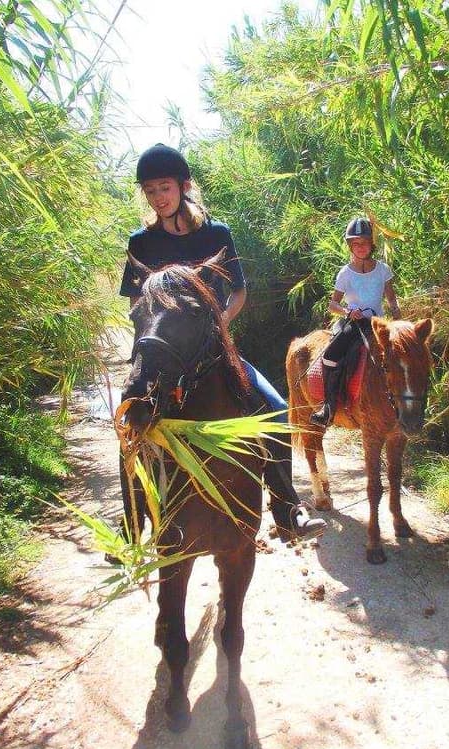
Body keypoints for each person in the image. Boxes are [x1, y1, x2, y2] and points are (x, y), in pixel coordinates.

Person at [119, 144, 326, 542]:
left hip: (212, 348)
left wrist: (217, 324)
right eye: (150, 190)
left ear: (183, 186)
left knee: (277, 411)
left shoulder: (216, 234)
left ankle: (287, 510)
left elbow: (239, 293)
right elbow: (137, 301)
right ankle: (130, 524)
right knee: (131, 422)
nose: (158, 198)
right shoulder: (141, 242)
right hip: (161, 354)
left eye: (164, 187)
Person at [310, 216, 401, 427]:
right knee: (332, 355)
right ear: (350, 246)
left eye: (365, 243)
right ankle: (329, 407)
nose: (360, 247)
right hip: (354, 323)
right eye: (356, 243)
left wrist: (399, 320)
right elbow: (332, 304)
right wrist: (347, 311)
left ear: (372, 245)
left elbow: (392, 299)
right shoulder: (345, 273)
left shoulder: (383, 270)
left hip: (378, 323)